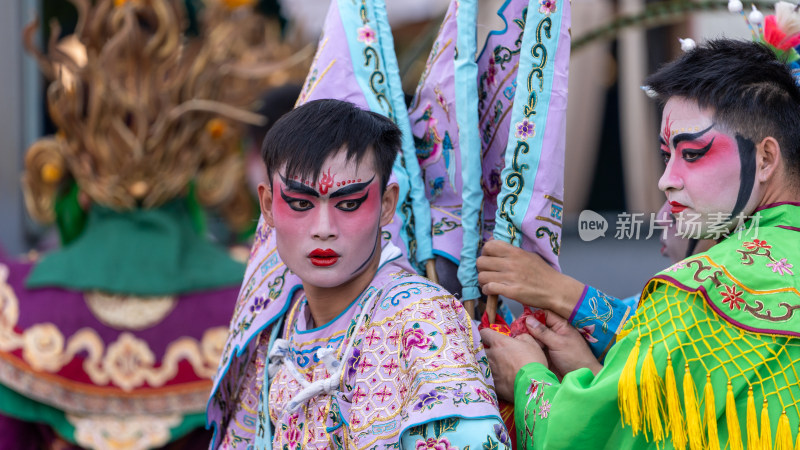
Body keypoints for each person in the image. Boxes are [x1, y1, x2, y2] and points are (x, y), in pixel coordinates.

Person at [479, 39, 800, 449]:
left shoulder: (699, 288)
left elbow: (576, 439)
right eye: (667, 155)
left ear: (766, 158)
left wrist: (526, 376)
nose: (666, 179)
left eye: (693, 153)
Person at [209, 99, 509, 449]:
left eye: (349, 204)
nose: (323, 229)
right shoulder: (277, 330)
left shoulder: (422, 319)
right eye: (301, 204)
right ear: (267, 206)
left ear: (386, 204)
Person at [478, 200, 715, 358]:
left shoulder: (731, 297)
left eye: (693, 155)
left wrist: (557, 289)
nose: (663, 214)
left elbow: (658, 357)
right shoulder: (661, 300)